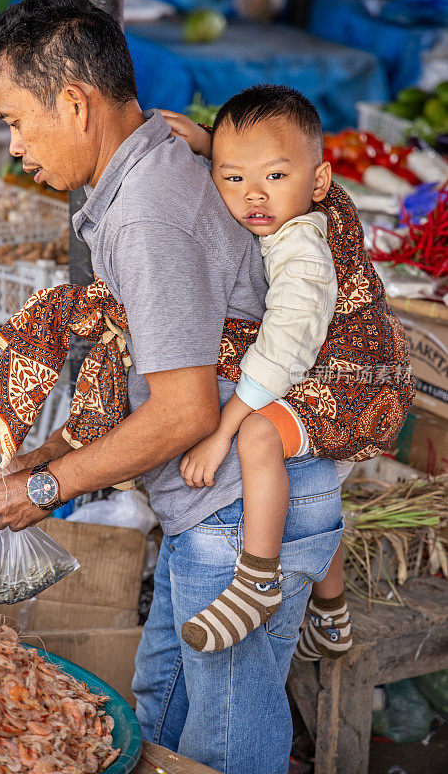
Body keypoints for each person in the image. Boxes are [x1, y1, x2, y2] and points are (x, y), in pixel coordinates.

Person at [0, 0, 391, 774]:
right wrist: (48, 454)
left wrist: (50, 487)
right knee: (161, 708)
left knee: (227, 749)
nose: (16, 146)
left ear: (75, 102)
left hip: (240, 519)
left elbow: (185, 412)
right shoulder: (149, 168)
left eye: (17, 120)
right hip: (218, 512)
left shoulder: (149, 215)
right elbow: (161, 365)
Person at [161, 86, 350, 659]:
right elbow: (246, 163)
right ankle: (333, 613)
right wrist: (203, 143)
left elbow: (280, 354)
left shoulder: (302, 255)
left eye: (273, 176)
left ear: (317, 184)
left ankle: (257, 579)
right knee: (322, 494)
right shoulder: (278, 215)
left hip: (336, 382)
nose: (253, 195)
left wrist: (220, 434)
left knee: (256, 433)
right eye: (232, 178)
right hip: (313, 375)